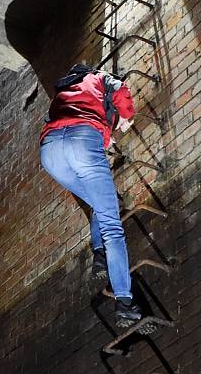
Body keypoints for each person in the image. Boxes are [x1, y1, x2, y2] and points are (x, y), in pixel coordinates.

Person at [40, 63, 142, 328]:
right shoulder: (98, 77)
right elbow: (119, 89)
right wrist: (127, 116)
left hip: (50, 151)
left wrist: (106, 134)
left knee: (99, 201)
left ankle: (99, 255)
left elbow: (69, 121)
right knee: (112, 225)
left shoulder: (63, 91)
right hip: (83, 142)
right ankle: (125, 301)